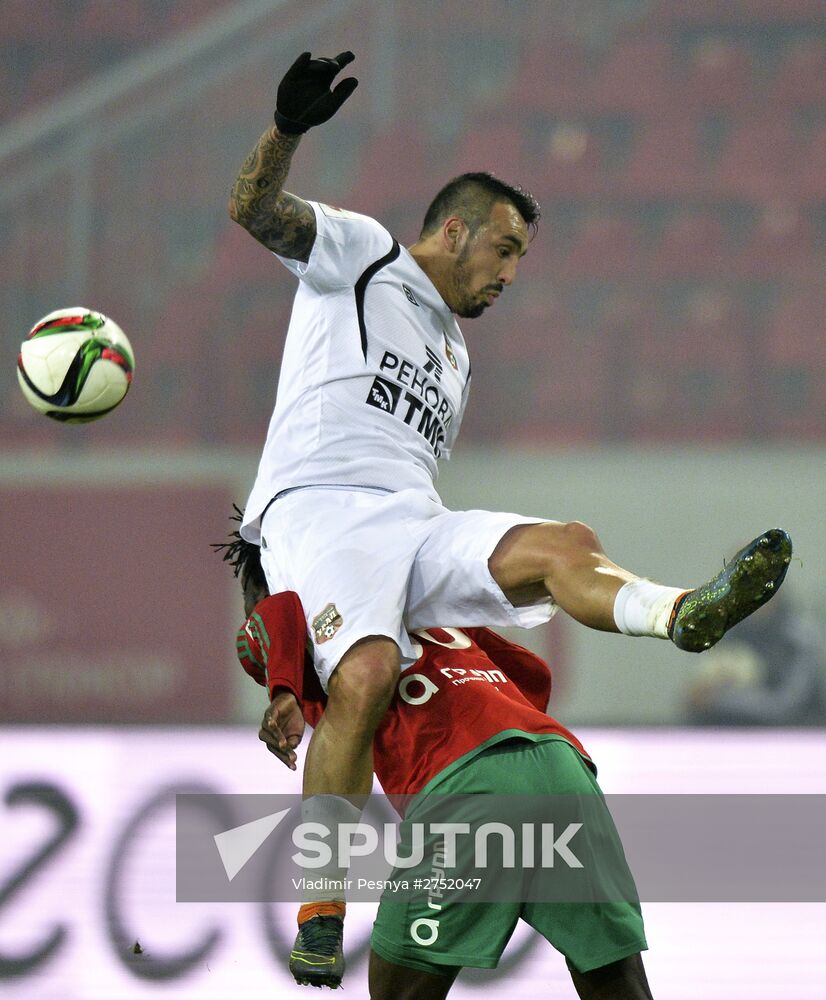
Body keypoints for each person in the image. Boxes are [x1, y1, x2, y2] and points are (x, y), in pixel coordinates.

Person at [227, 49, 792, 986]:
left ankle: (679, 611)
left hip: (412, 518)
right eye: (507, 249)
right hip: (320, 511)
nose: (513, 274)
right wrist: (286, 131)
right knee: (365, 672)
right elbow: (255, 211)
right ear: (452, 230)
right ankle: (321, 910)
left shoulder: (453, 355)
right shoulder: (362, 257)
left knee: (562, 546)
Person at [219, 526, 655, 998]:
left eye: (247, 597)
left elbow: (277, 612)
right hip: (560, 767)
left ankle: (320, 913)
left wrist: (282, 687)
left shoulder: (301, 608)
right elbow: (533, 672)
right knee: (616, 982)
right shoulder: (425, 611)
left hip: (468, 789)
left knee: (398, 991)